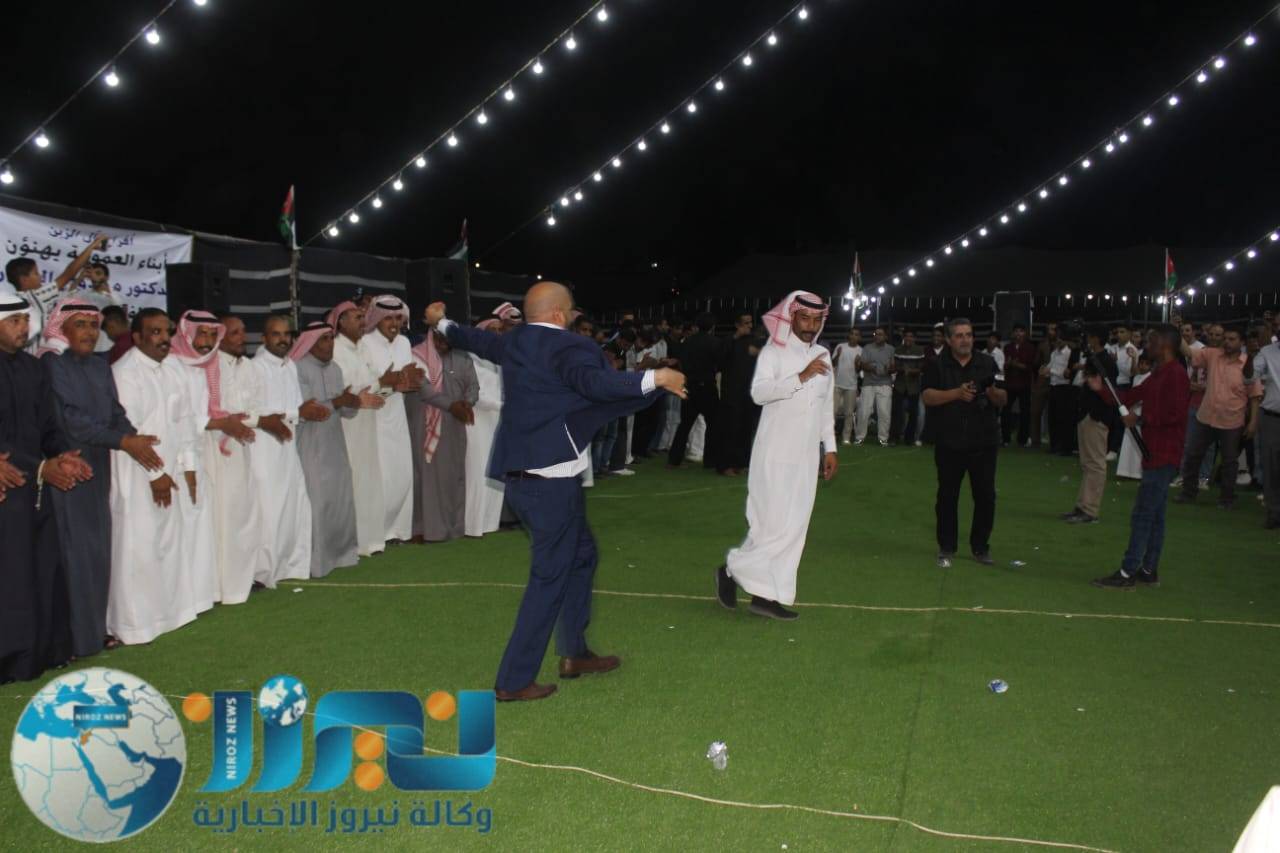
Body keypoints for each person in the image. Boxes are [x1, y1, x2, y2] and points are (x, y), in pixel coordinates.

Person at [425, 283, 686, 702]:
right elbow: (596, 384)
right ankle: (513, 680)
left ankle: (574, 653)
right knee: (549, 577)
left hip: (525, 478)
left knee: (582, 556)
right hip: (550, 483)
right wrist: (657, 377)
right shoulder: (570, 347)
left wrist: (441, 322)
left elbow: (474, 339)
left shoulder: (515, 342)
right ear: (561, 315)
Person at [43, 301, 157, 656]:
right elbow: (71, 421)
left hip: (99, 466)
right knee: (75, 554)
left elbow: (115, 413)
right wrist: (123, 442)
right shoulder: (52, 365)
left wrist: (132, 437)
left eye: (94, 325)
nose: (90, 332)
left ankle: (96, 632)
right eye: (80, 324)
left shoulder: (98, 365)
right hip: (69, 466)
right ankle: (78, 640)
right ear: (62, 328)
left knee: (97, 552)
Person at [714, 292, 837, 620]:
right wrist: (801, 376)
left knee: (795, 527)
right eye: (804, 318)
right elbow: (759, 393)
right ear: (791, 318)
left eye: (816, 320)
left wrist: (830, 447)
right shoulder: (773, 352)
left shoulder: (824, 353)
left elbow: (825, 406)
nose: (810, 326)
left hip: (806, 457)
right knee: (771, 526)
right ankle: (731, 570)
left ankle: (765, 597)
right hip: (774, 453)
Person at [0, 296, 92, 682]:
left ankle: (42, 653)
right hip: (7, 485)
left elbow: (48, 424)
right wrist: (40, 466)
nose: (23, 327)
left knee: (40, 567)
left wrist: (60, 455)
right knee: (10, 575)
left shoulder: (32, 368)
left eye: (25, 319)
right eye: (14, 320)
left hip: (33, 486)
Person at [108, 308, 201, 645]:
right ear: (137, 337)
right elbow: (131, 431)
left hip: (170, 468)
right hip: (137, 472)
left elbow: (184, 421)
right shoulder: (125, 373)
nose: (164, 339)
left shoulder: (173, 369)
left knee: (169, 543)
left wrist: (188, 466)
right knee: (139, 547)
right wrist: (156, 473)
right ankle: (134, 625)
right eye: (156, 332)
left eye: (167, 332)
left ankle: (169, 614)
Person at [1090, 325, 1190, 588]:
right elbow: (1131, 396)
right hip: (1154, 453)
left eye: (1152, 341)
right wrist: (1102, 390)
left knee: (1144, 514)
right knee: (1155, 515)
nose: (1148, 344)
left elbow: (1175, 414)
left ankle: (1128, 572)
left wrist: (1140, 419)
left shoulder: (1176, 374)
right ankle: (1148, 569)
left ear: (1165, 345)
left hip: (1164, 453)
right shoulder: (1158, 373)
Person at [922, 317, 1006, 567]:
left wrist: (992, 393)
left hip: (984, 441)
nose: (965, 340)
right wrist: (956, 394)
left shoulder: (987, 363)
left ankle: (981, 547)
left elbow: (1003, 398)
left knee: (985, 496)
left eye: (968, 335)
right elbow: (927, 396)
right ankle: (947, 546)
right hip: (949, 441)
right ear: (948, 340)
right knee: (947, 496)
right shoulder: (936, 364)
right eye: (959, 335)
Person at [167, 311, 230, 612]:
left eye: (212, 335)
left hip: (198, 451)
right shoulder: (171, 366)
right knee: (180, 526)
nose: (207, 341)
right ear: (187, 334)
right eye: (201, 334)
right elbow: (181, 420)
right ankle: (180, 599)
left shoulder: (204, 366)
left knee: (198, 523)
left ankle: (200, 595)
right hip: (174, 457)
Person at [206, 314, 269, 604]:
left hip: (243, 445)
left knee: (245, 513)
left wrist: (246, 419)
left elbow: (256, 406)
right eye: (234, 333)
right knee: (225, 515)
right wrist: (235, 420)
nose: (241, 337)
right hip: (216, 449)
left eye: (243, 332)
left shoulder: (249, 367)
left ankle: (243, 577)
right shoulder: (210, 366)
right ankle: (224, 585)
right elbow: (212, 411)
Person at [291, 321, 361, 577]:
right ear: (310, 342)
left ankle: (342, 555)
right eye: (324, 339)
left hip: (335, 444)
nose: (330, 344)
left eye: (331, 338)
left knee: (339, 500)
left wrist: (352, 402)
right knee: (318, 503)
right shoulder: (298, 369)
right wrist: (338, 401)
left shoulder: (335, 369)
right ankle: (316, 563)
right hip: (310, 444)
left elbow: (345, 412)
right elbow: (309, 411)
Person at [251, 315, 314, 585]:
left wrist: (303, 412)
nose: (283, 339)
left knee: (293, 505)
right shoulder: (255, 368)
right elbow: (256, 411)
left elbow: (295, 408)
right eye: (276, 334)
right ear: (264, 338)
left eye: (287, 334)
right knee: (270, 508)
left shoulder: (290, 366)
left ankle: (290, 566)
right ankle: (264, 572)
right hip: (264, 448)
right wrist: (298, 413)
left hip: (288, 447)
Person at [359, 297, 423, 544]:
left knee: (401, 473)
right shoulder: (364, 343)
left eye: (398, 318)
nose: (394, 323)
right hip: (372, 418)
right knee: (381, 476)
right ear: (376, 319)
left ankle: (397, 531)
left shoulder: (404, 343)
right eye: (388, 318)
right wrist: (391, 384)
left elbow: (405, 380)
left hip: (397, 414)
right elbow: (364, 387)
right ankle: (377, 532)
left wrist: (407, 382)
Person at [1175, 327, 1261, 509]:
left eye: (1232, 339)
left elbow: (1254, 396)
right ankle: (1188, 492)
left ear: (1241, 342)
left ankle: (1226, 499)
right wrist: (1177, 330)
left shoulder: (1247, 364)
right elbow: (1188, 352)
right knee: (1192, 455)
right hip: (1206, 416)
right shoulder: (1212, 355)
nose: (1227, 342)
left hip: (1232, 420)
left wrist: (1253, 422)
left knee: (1229, 461)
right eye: (1226, 338)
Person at [328, 301, 389, 557]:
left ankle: (371, 540)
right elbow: (341, 389)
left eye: (363, 317)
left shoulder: (363, 348)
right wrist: (373, 387)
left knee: (369, 479)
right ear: (341, 322)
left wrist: (384, 385)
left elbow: (373, 380)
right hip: (347, 424)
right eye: (356, 318)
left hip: (368, 423)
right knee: (353, 480)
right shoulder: (334, 350)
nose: (363, 322)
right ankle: (352, 542)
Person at [410, 328, 478, 542]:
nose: (442, 341)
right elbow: (425, 391)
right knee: (428, 477)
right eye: (438, 336)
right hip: (426, 423)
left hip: (456, 423)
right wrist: (453, 406)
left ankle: (454, 528)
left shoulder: (463, 357)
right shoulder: (418, 355)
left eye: (447, 336)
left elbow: (473, 386)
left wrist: (467, 403)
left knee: (455, 475)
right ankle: (427, 530)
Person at [3, 234, 108, 349]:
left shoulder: (13, 301)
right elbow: (69, 273)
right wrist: (91, 247)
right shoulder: (34, 296)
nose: (40, 277)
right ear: (24, 280)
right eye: (36, 273)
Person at [1060, 330, 1117, 524]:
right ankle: (1083, 506)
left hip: (1096, 415)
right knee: (1087, 463)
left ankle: (1090, 510)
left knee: (1095, 463)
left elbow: (1106, 388)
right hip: (1087, 413)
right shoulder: (1096, 359)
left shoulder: (1105, 361)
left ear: (1095, 338)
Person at [464, 318, 508, 538]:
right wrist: (504, 405)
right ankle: (473, 525)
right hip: (477, 421)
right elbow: (475, 395)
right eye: (492, 330)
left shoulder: (500, 359)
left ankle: (491, 523)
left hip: (498, 421)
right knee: (478, 472)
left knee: (496, 472)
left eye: (500, 330)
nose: (497, 334)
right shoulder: (469, 357)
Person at [666, 313, 720, 468]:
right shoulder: (715, 342)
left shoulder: (688, 341)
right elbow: (719, 363)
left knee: (685, 425)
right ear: (712, 327)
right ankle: (710, 460)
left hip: (690, 385)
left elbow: (681, 361)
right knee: (713, 424)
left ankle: (674, 459)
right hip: (707, 386)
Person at [715, 313, 762, 474]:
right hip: (731, 392)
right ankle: (725, 465)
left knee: (745, 428)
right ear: (737, 325)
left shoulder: (754, 341)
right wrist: (736, 337)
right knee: (730, 429)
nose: (749, 326)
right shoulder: (728, 341)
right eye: (745, 323)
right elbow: (720, 361)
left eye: (750, 323)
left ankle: (741, 463)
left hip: (748, 392)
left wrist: (759, 352)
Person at [1254, 334, 1280, 527]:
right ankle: (1274, 512)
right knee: (1271, 467)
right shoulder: (1266, 352)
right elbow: (1249, 377)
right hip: (1273, 418)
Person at [854, 327, 894, 446]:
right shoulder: (867, 348)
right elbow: (863, 365)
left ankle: (883, 439)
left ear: (885, 337)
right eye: (876, 334)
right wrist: (873, 368)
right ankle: (859, 437)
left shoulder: (891, 349)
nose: (877, 336)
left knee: (884, 412)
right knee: (864, 412)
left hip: (885, 384)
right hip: (868, 383)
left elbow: (893, 367)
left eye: (880, 334)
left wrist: (889, 369)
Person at [1116, 352, 1152, 481]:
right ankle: (1125, 470)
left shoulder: (1151, 378)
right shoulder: (1136, 378)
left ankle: (1138, 472)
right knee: (1129, 440)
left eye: (1146, 364)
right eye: (1141, 363)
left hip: (1141, 413)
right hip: (1132, 410)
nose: (1142, 366)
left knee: (1139, 441)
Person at [1105, 325, 1140, 455]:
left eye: (1122, 332)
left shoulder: (1133, 350)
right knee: (1109, 417)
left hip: (1124, 386)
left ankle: (1114, 449)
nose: (1119, 334)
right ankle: (1107, 446)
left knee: (1119, 418)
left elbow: (1131, 373)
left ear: (1129, 334)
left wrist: (1115, 361)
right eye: (1118, 332)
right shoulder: (1112, 348)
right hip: (1111, 385)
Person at [1044, 329, 1078, 455]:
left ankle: (1063, 446)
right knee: (1052, 417)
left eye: (1060, 339)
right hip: (1053, 386)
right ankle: (1054, 445)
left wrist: (1051, 371)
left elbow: (1066, 374)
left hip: (1064, 387)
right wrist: (1045, 371)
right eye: (1056, 340)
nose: (1057, 342)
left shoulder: (1069, 353)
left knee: (1063, 418)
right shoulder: (1054, 353)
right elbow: (1049, 367)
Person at [1002, 324, 1037, 447]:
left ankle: (1023, 439)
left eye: (1021, 331)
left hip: (1024, 384)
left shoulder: (1030, 347)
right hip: (1009, 384)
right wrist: (1009, 364)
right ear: (1012, 333)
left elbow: (1031, 367)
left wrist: (1017, 365)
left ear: (1025, 333)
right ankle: (1005, 438)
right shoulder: (1008, 347)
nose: (1018, 334)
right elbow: (1005, 365)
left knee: (1025, 412)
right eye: (1016, 331)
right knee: (1005, 411)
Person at [891, 330, 924, 446]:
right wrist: (904, 369)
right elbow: (896, 366)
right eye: (906, 336)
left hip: (913, 386)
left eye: (911, 336)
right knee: (896, 412)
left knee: (913, 413)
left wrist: (911, 371)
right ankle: (894, 437)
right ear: (903, 338)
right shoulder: (898, 350)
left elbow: (921, 368)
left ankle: (909, 439)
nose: (908, 338)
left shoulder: (919, 350)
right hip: (899, 385)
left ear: (914, 338)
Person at [831, 328, 862, 444]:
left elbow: (859, 371)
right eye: (852, 334)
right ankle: (830, 436)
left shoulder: (861, 350)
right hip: (837, 384)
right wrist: (838, 355)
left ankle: (846, 438)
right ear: (849, 335)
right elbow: (833, 363)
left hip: (851, 386)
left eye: (856, 334)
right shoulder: (840, 346)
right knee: (832, 411)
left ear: (859, 338)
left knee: (849, 413)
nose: (854, 336)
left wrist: (857, 364)